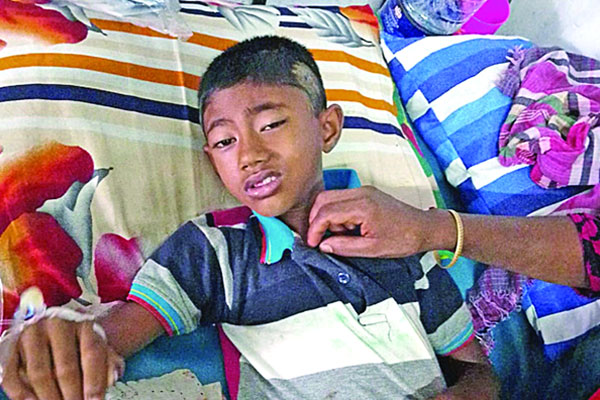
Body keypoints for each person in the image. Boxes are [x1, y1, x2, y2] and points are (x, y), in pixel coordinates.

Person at [0, 35, 498, 400]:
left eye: (272, 124)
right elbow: (116, 333)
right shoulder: (216, 249)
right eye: (224, 141)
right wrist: (72, 342)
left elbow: (478, 371)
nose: (249, 155)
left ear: (327, 128)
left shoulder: (401, 237)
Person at [305, 187, 590, 291]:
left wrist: (430, 229)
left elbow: (479, 373)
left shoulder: (408, 266)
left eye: (281, 123)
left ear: (328, 128)